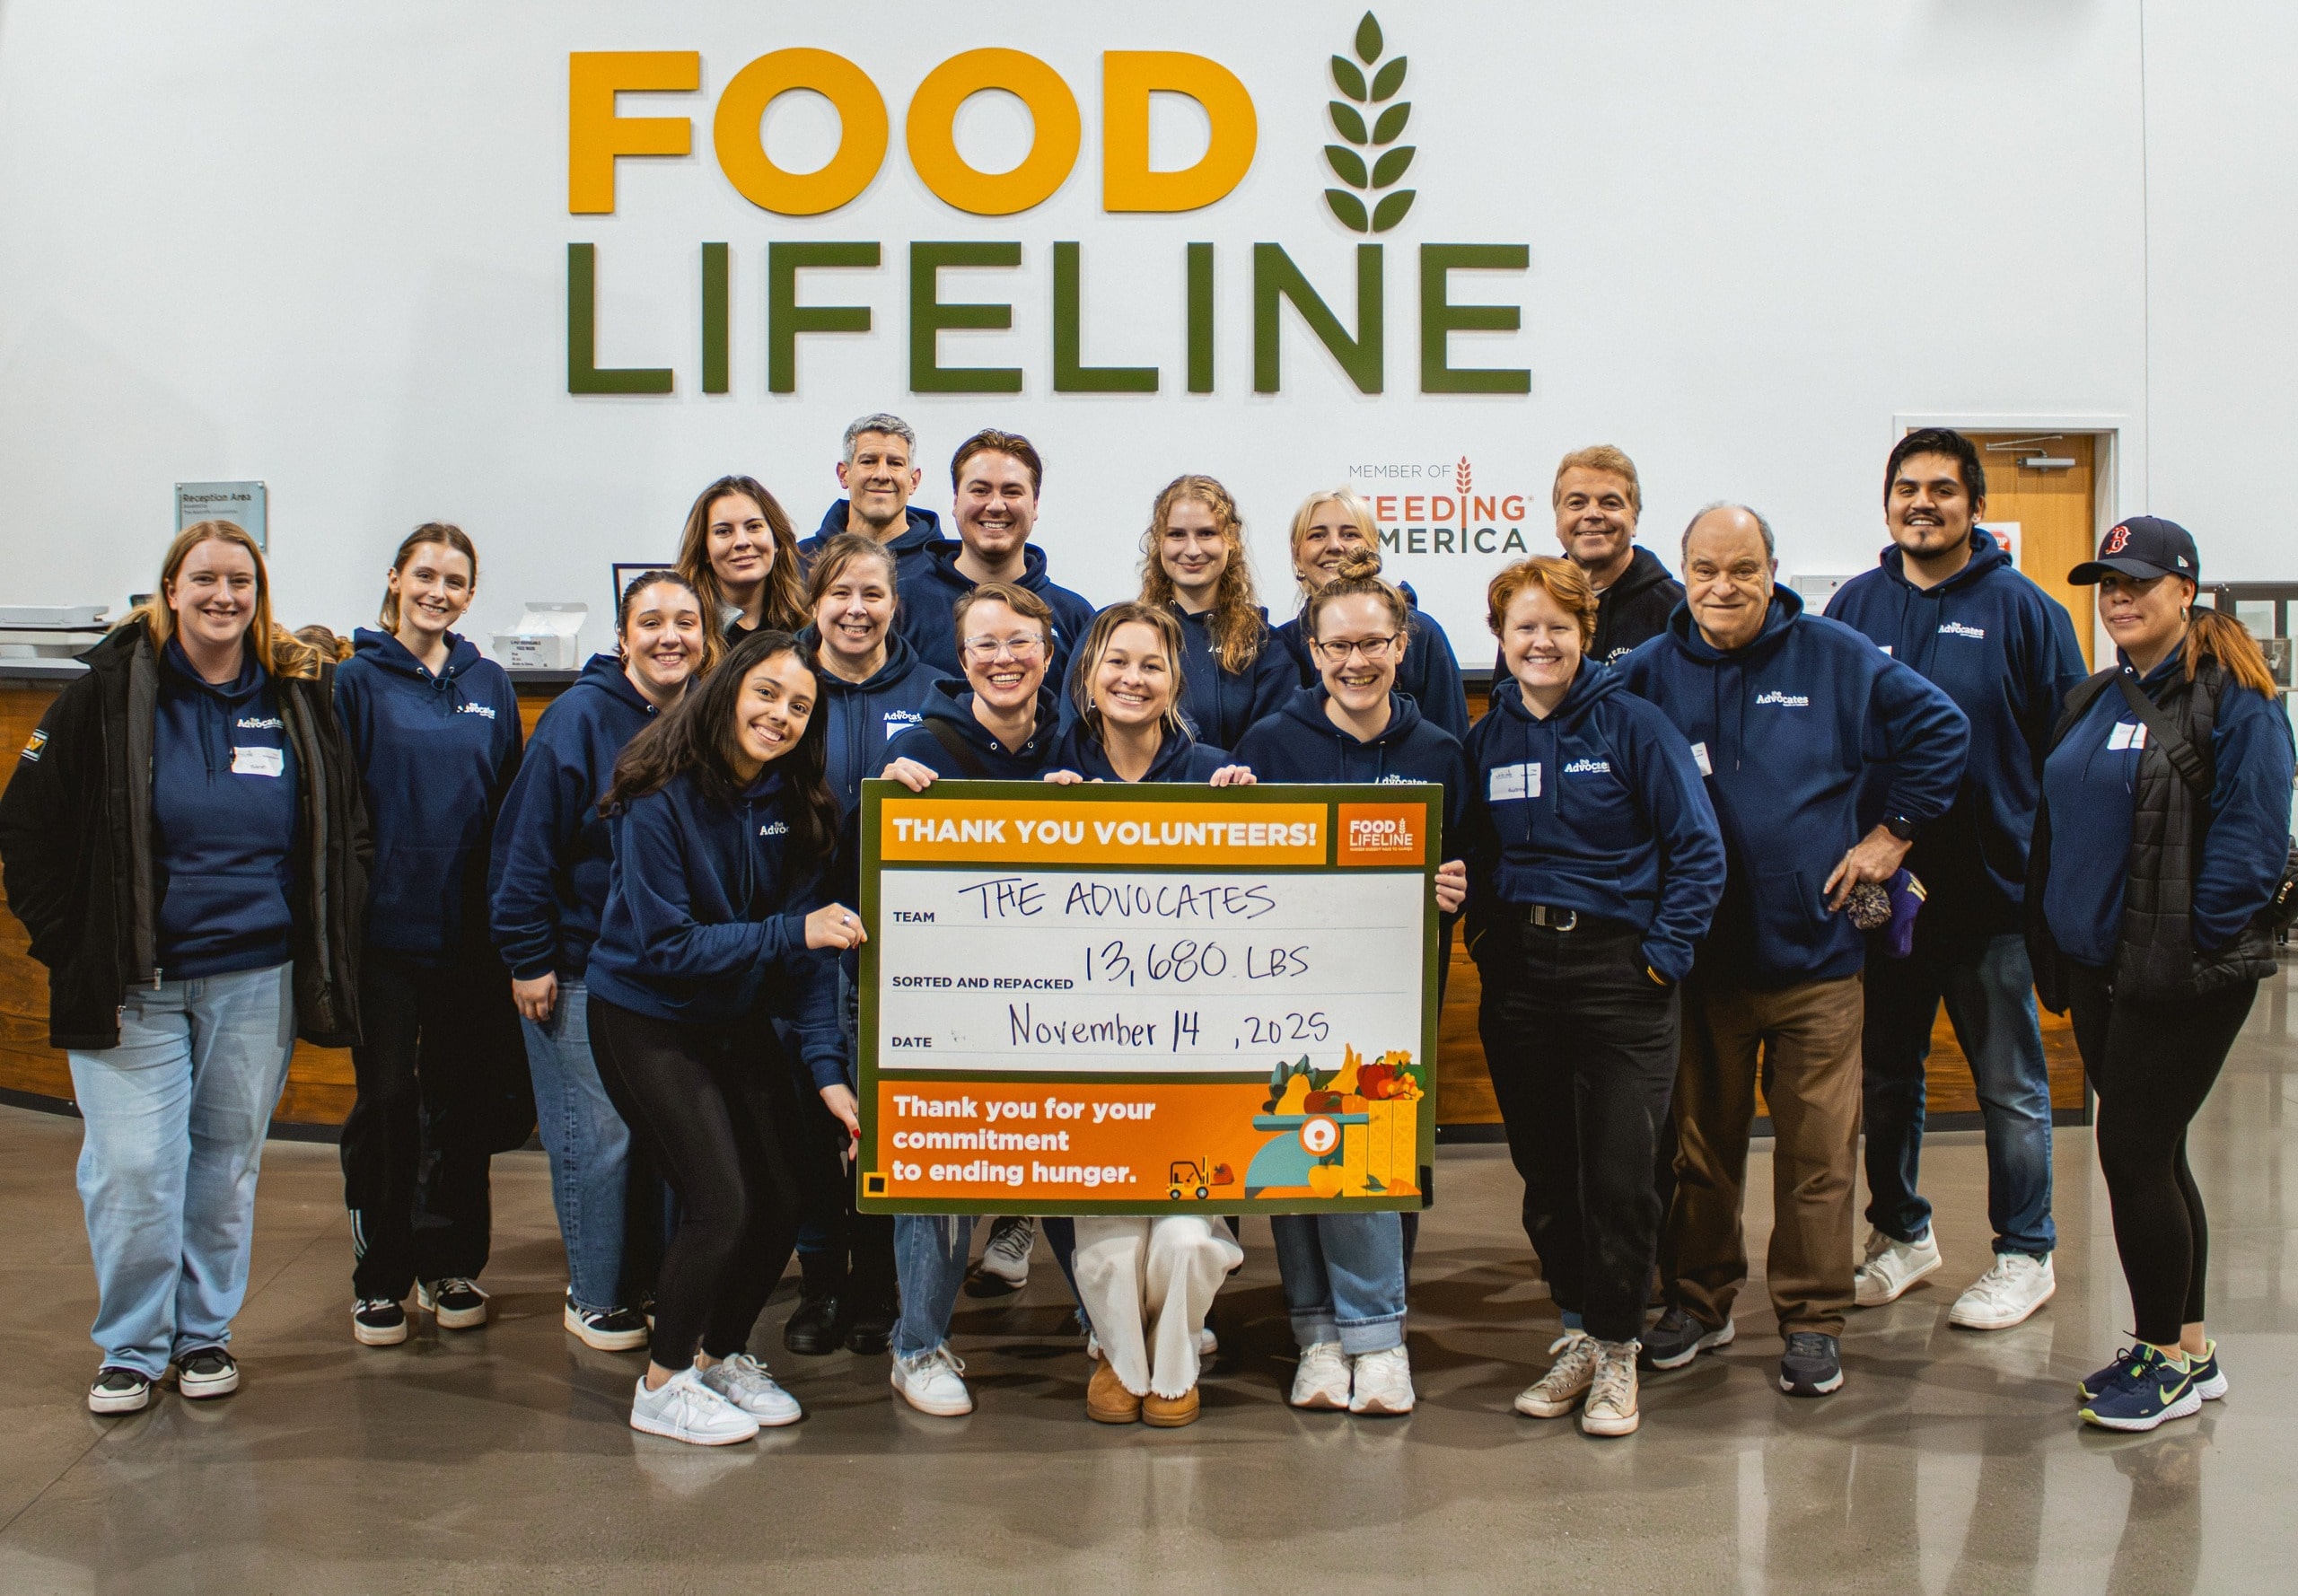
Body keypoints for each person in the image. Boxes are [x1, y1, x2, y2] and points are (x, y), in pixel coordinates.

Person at [0, 522, 365, 1414]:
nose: (222, 595)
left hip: (255, 980)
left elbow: (341, 824)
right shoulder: (109, 692)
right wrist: (70, 942)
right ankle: (130, 1343)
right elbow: (25, 828)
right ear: (170, 588)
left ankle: (203, 1334)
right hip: (135, 983)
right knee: (132, 1167)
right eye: (204, 578)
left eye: (239, 579)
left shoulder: (293, 695)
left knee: (225, 1163)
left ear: (258, 591)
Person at [1616, 504, 1967, 1399]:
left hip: (1817, 962)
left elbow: (1943, 732)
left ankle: (1811, 1317)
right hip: (1704, 967)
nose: (1722, 587)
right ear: (1682, 572)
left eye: (1742, 568)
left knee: (1818, 1155)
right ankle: (1699, 1299)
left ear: (1773, 570)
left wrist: (1892, 835)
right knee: (1702, 1149)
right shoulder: (1648, 674)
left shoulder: (1836, 656)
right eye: (1704, 569)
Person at [2028, 518, 2294, 1432]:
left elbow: (2252, 845)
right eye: (2107, 582)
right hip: (2099, 969)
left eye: (2137, 580)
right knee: (2158, 1148)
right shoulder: (2097, 695)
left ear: (2185, 589)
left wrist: (2186, 946)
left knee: (2131, 1151)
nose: (2119, 596)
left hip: (2178, 975)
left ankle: (2159, 1360)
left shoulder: (2234, 697)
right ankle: (2190, 1342)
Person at [1457, 557, 1725, 1438]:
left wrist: (1660, 958)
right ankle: (1577, 1324)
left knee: (1620, 1171)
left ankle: (1618, 1349)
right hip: (1522, 978)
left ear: (1584, 637)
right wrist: (1489, 944)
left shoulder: (1633, 725)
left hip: (1621, 975)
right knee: (1546, 1171)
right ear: (1500, 638)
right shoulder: (1487, 737)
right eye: (1523, 627)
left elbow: (1697, 849)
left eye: (1557, 628)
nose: (1540, 642)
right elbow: (1473, 858)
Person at [1828, 429, 2089, 1328]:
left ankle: (2026, 1250)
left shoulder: (2025, 610)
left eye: (1942, 488)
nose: (1922, 503)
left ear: (1974, 506)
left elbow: (2068, 753)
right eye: (1906, 487)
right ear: (1887, 500)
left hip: (1990, 896)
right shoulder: (1853, 608)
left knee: (2009, 1086)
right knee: (1886, 1078)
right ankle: (1900, 1234)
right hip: (1880, 899)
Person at [584, 627, 865, 1446]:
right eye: (768, 694)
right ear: (729, 691)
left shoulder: (798, 803)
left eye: (801, 706)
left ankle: (721, 1353)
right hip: (646, 1015)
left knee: (791, 1188)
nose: (781, 716)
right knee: (721, 1200)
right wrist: (792, 935)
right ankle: (663, 1383)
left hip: (731, 1014)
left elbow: (814, 959)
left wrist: (828, 1075)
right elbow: (668, 947)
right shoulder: (656, 792)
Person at [1232, 548, 1468, 1416]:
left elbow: (1470, 859)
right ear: (1312, 650)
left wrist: (1457, 881)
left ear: (1402, 646)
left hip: (1394, 997)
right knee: (1300, 1146)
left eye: (1373, 643)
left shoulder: (1442, 750)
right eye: (1338, 647)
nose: (1356, 661)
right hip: (1290, 994)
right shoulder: (1269, 745)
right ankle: (1321, 1335)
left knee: (1380, 1151)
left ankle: (1378, 1333)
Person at [1039, 603, 1256, 1425]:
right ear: (1089, 678)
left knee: (1189, 1238)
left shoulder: (1215, 772)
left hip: (1196, 1050)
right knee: (1108, 1238)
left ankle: (1169, 1362)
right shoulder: (1050, 770)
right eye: (1116, 663)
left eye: (1151, 665)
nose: (1132, 679)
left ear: (1175, 683)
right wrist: (1038, 821)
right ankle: (1122, 1360)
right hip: (1083, 1047)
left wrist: (1251, 809)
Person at [489, 570, 707, 1352]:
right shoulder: (578, 719)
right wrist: (529, 957)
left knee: (653, 1135)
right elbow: (525, 850)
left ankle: (641, 1278)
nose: (670, 636)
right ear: (623, 637)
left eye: (687, 620)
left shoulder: (701, 722)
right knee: (596, 1136)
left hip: (660, 973)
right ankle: (594, 1293)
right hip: (575, 967)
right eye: (652, 621)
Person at [876, 583, 1074, 1416]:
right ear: (963, 661)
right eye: (986, 645)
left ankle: (1108, 1323)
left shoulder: (1080, 737)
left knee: (1077, 1160)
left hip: (1069, 997)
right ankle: (917, 1346)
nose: (1005, 658)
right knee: (939, 1169)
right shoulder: (924, 748)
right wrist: (888, 795)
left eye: (1020, 641)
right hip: (951, 1000)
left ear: (1048, 651)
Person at [333, 524, 525, 1346]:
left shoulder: (490, 683)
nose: (437, 591)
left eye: (455, 580)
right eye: (425, 575)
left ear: (470, 594)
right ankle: (380, 1274)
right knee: (388, 1104)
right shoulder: (353, 681)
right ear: (395, 579)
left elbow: (511, 804)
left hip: (470, 938)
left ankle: (450, 1263)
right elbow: (339, 814)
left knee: (460, 1107)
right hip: (383, 939)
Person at [780, 534, 943, 1357]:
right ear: (815, 603)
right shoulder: (782, 685)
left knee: (880, 1125)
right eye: (840, 593)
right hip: (793, 939)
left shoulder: (934, 692)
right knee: (812, 1126)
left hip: (895, 952)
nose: (856, 609)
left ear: (895, 604)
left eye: (872, 595)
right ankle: (820, 1289)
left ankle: (877, 1290)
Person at [895, 429, 1095, 685]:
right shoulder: (903, 606)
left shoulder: (1074, 617)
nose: (996, 506)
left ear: (1035, 505)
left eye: (1012, 492)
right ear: (955, 501)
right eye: (980, 491)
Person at [1270, 488, 1469, 741]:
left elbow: (1449, 743)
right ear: (1297, 554)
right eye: (1317, 535)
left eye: (1350, 534)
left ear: (1372, 546)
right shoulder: (1281, 644)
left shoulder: (1422, 633)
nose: (1334, 545)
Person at [1132, 475, 1293, 750]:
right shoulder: (1125, 635)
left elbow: (1275, 748)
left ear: (1231, 540)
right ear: (1159, 542)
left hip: (1237, 792)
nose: (1192, 550)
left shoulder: (1265, 646)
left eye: (1206, 533)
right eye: (1177, 535)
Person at [795, 413, 950, 587]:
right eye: (869, 461)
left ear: (913, 481)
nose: (882, 475)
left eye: (895, 463)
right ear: (843, 474)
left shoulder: (944, 568)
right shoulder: (799, 562)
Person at [676, 474, 808, 647]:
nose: (742, 542)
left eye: (754, 527)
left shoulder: (806, 627)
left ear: (776, 540)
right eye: (723, 531)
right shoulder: (682, 632)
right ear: (704, 550)